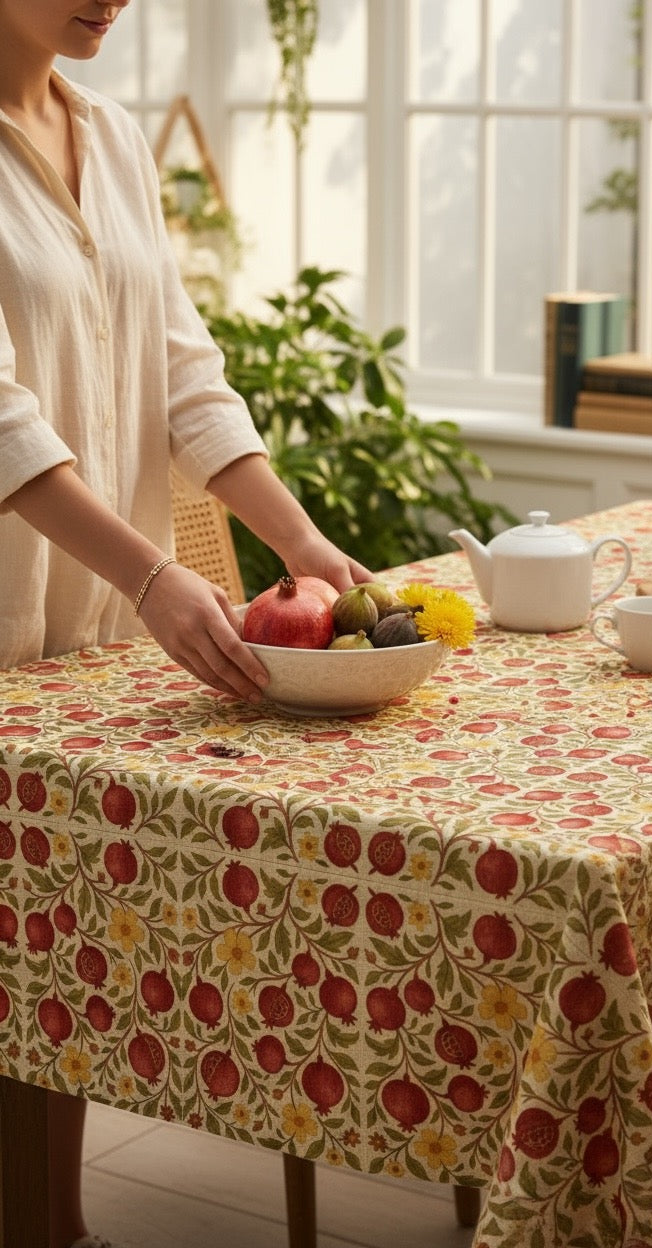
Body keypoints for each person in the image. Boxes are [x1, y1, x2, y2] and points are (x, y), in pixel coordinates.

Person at [0, 3, 372, 1246]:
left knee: (44, 954)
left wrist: (304, 542)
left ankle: (55, 1225)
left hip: (88, 632)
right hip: (11, 617)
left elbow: (184, 377)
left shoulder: (106, 135)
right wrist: (159, 575)